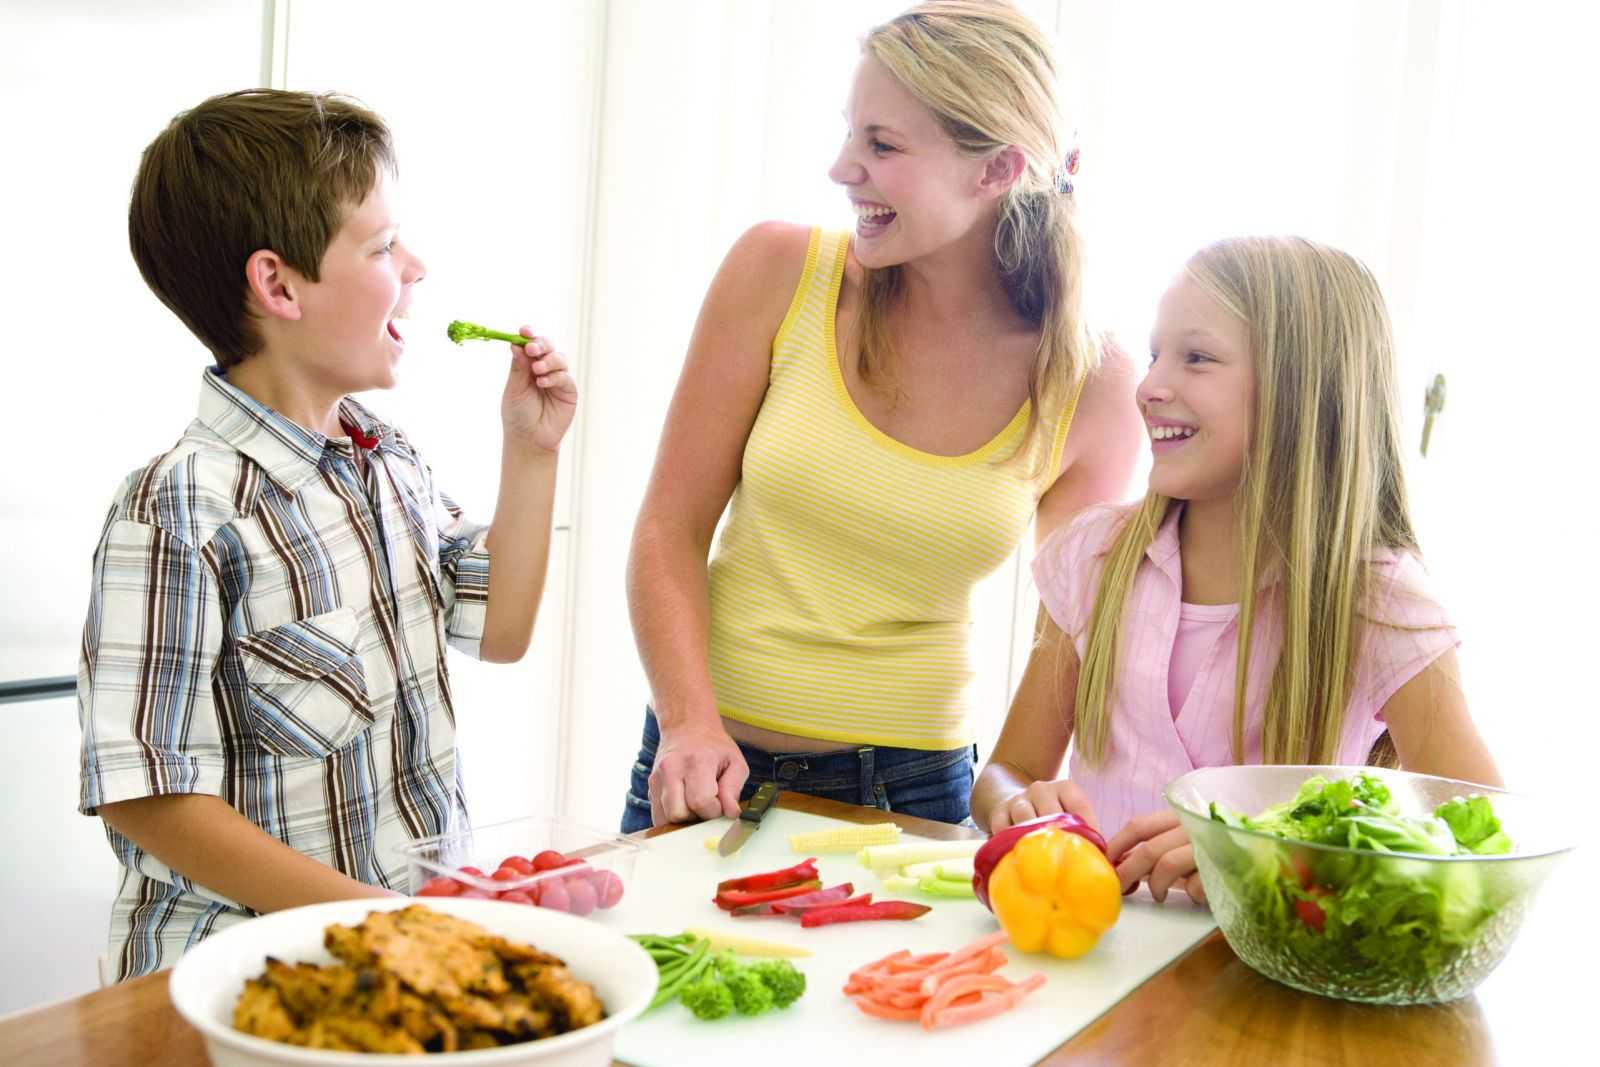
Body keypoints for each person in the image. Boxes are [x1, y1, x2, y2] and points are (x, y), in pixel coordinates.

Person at [76, 89, 577, 979]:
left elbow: (501, 629)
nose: (414, 266)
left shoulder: (390, 462)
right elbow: (149, 795)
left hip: (393, 967)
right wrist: (386, 919)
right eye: (383, 246)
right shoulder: (178, 508)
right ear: (277, 284)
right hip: (241, 985)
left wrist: (530, 453)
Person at [622, 0, 1143, 832]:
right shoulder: (779, 272)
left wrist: (1015, 791)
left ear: (996, 169)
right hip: (705, 766)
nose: (841, 168)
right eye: (849, 131)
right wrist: (687, 721)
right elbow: (667, 527)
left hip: (912, 795)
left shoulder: (1093, 381)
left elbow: (1072, 637)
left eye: (882, 144)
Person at [970, 236, 1501, 904]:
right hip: (1094, 955)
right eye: (1157, 352)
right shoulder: (1096, 556)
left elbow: (1489, 841)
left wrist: (1271, 853)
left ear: (1300, 390)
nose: (1149, 385)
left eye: (1196, 358)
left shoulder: (1379, 598)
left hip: (1271, 982)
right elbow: (1007, 769)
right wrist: (1018, 804)